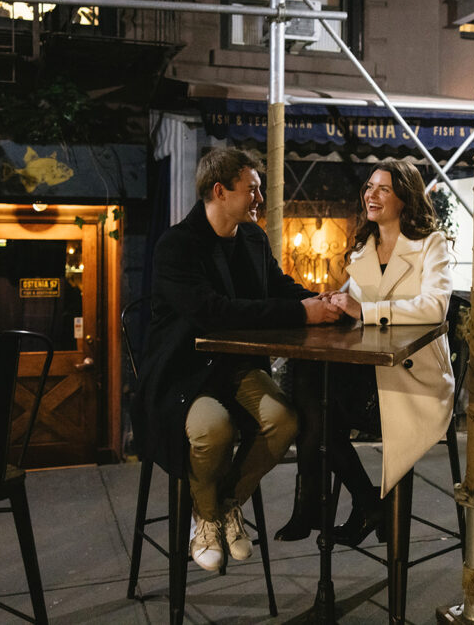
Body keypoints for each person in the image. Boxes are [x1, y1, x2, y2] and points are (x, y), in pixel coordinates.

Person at [132, 147, 341, 572]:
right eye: (253, 189)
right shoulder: (177, 245)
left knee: (284, 420)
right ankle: (207, 518)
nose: (259, 199)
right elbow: (215, 312)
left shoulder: (251, 238)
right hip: (184, 373)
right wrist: (303, 313)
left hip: (237, 368)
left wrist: (321, 300)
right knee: (214, 429)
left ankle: (221, 506)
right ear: (220, 190)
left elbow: (278, 288)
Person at [275, 159, 455, 546]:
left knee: (316, 409)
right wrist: (336, 302)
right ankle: (364, 500)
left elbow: (435, 307)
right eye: (369, 187)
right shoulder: (363, 249)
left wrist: (367, 311)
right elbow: (354, 311)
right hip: (370, 374)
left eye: (383, 189)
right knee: (311, 389)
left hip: (413, 380)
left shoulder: (430, 244)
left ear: (404, 198)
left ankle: (322, 502)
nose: (371, 195)